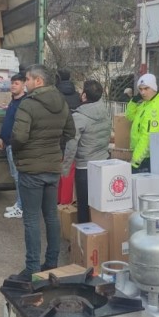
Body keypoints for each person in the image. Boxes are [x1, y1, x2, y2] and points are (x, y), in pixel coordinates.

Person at [10, 64, 75, 280]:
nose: (25, 82)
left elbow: (19, 137)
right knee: (51, 218)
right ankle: (51, 263)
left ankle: (31, 269)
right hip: (52, 168)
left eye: (27, 79)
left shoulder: (28, 105)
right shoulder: (62, 103)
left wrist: (22, 152)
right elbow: (70, 132)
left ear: (38, 81)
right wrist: (53, 148)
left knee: (31, 220)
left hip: (31, 170)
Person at [61, 80, 110, 223]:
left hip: (84, 167)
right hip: (103, 161)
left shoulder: (79, 117)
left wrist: (65, 168)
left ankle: (85, 239)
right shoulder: (104, 110)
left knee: (83, 204)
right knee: (98, 203)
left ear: (83, 96)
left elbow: (71, 145)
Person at [125, 73, 159, 173]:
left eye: (146, 88)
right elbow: (130, 117)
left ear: (153, 88)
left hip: (145, 157)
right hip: (141, 155)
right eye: (140, 89)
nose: (143, 92)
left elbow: (147, 137)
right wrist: (134, 101)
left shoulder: (154, 109)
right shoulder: (146, 103)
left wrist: (135, 162)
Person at [0, 73, 27, 219]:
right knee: (15, 176)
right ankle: (19, 203)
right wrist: (1, 137)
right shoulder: (13, 101)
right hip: (8, 143)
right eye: (12, 83)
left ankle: (21, 207)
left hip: (16, 145)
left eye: (16, 83)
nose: (13, 86)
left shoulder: (25, 102)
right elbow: (8, 121)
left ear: (24, 84)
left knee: (19, 177)